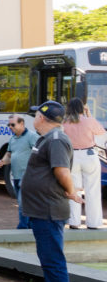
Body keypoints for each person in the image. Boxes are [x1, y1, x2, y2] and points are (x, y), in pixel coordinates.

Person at [21, 101, 83, 282]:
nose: (34, 117)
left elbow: (62, 171)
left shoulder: (56, 139)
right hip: (42, 209)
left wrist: (71, 191)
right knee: (48, 260)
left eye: (36, 114)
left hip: (48, 210)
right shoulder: (49, 138)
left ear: (43, 118)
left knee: (53, 260)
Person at [61, 98, 106, 229]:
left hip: (72, 156)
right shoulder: (89, 121)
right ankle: (93, 223)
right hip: (89, 155)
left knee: (73, 189)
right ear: (82, 108)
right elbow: (102, 134)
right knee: (93, 190)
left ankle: (74, 221)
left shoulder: (64, 122)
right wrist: (89, 113)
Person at [0, 114, 39, 229]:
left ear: (22, 124)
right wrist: (2, 161)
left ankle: (23, 226)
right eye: (9, 125)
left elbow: (40, 154)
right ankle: (30, 225)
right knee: (25, 202)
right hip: (16, 177)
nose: (10, 127)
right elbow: (9, 154)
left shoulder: (32, 136)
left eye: (13, 124)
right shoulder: (12, 138)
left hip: (27, 176)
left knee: (22, 202)